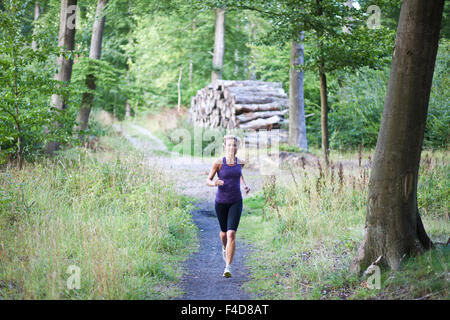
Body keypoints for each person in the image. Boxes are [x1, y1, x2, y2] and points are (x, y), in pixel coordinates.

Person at [206, 134, 250, 278]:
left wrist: (244, 185)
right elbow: (208, 180)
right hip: (221, 202)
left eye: (234, 145)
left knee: (231, 233)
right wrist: (214, 183)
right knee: (224, 233)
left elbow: (238, 174)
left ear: (238, 147)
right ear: (225, 146)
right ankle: (225, 247)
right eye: (229, 145)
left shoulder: (241, 162)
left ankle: (228, 267)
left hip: (236, 201)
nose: (232, 147)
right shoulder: (218, 163)